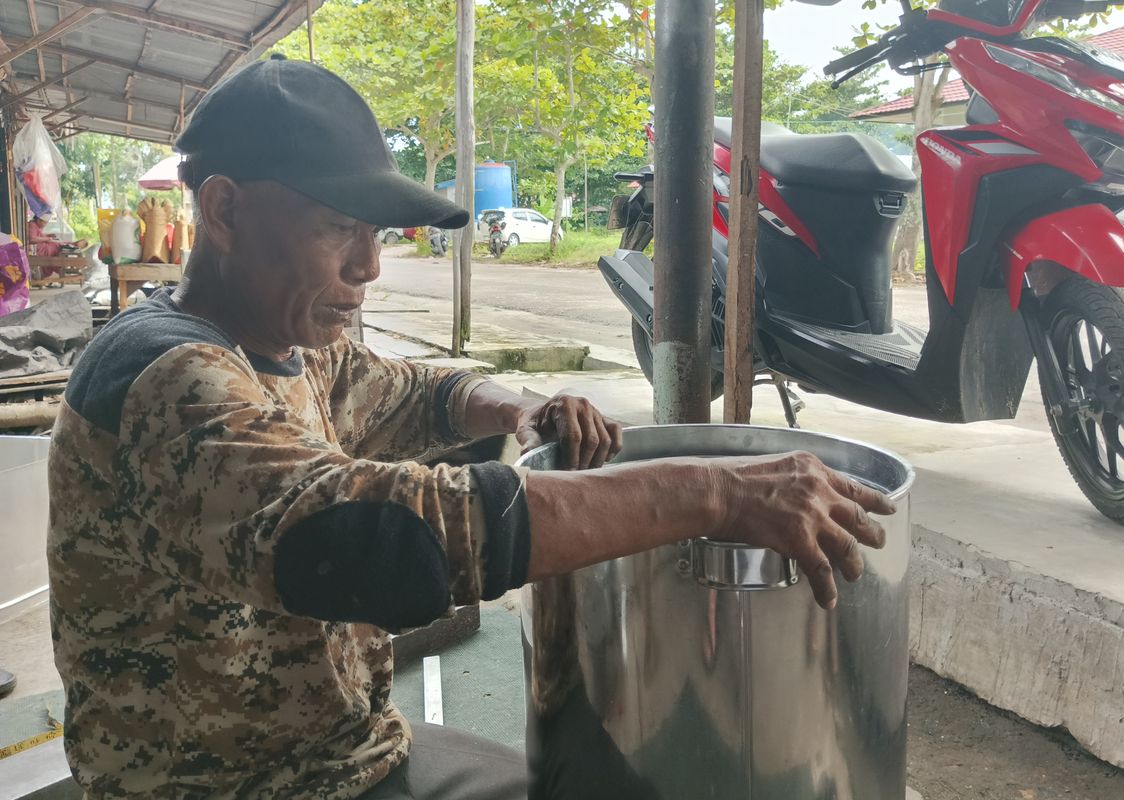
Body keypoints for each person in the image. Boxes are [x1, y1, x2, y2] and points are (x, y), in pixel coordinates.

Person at [47, 56, 894, 800]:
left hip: (344, 753)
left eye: (375, 235)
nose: (369, 267)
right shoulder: (167, 378)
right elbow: (369, 534)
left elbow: (417, 393)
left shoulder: (288, 344)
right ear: (225, 212)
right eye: (340, 228)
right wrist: (711, 493)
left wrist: (517, 410)